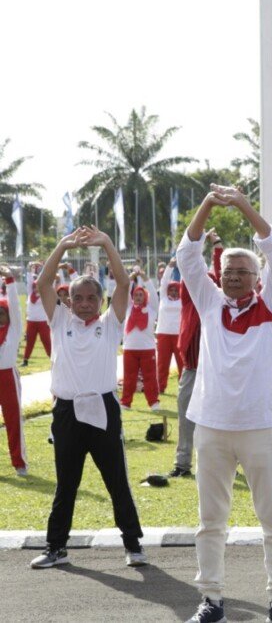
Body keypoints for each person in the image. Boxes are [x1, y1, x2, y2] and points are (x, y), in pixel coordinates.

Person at [178, 185, 272, 623]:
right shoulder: (209, 301)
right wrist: (210, 204)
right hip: (211, 425)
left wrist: (244, 204)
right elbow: (187, 255)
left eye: (242, 271)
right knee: (211, 520)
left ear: (258, 278)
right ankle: (210, 598)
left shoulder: (271, 303)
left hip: (259, 425)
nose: (233, 276)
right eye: (228, 270)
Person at [30, 226, 147, 570]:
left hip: (103, 410)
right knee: (67, 483)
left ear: (101, 301)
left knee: (116, 480)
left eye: (91, 298)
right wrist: (64, 245)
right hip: (66, 412)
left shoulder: (111, 323)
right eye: (77, 298)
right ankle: (56, 547)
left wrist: (108, 242)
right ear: (68, 299)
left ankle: (132, 543)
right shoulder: (59, 320)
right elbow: (42, 284)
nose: (84, 304)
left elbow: (123, 284)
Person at [168, 231, 223, 479]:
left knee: (219, 418)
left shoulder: (217, 296)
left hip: (215, 368)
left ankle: (226, 463)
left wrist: (218, 247)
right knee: (186, 415)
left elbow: (220, 277)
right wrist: (201, 241)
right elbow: (190, 262)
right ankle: (183, 463)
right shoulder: (189, 292)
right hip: (192, 366)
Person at [0, 265, 27, 475]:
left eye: (2, 313)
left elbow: (16, 308)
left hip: (8, 377)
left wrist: (9, 281)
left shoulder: (14, 329)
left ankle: (19, 462)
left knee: (13, 420)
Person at [120, 272, 160, 410]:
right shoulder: (128, 308)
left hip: (147, 349)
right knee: (128, 377)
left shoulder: (152, 308)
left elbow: (154, 295)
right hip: (129, 349)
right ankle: (125, 403)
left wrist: (145, 278)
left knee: (150, 377)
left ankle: (154, 403)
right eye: (136, 295)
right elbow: (125, 294)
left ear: (145, 296)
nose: (138, 297)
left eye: (141, 295)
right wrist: (131, 279)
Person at [155, 260, 183, 395]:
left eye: (175, 289)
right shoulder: (163, 298)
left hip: (179, 335)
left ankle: (183, 387)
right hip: (163, 334)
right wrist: (170, 266)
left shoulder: (184, 300)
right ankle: (160, 387)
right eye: (170, 289)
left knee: (182, 364)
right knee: (162, 363)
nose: (172, 291)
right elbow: (164, 281)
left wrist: (183, 266)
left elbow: (186, 282)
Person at [22, 262, 51, 366]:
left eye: (38, 286)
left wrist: (44, 268)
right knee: (30, 341)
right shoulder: (31, 294)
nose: (35, 288)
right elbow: (29, 280)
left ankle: (53, 358)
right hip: (31, 321)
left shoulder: (45, 295)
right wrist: (31, 267)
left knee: (47, 341)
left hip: (43, 322)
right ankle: (25, 360)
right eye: (34, 286)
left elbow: (49, 280)